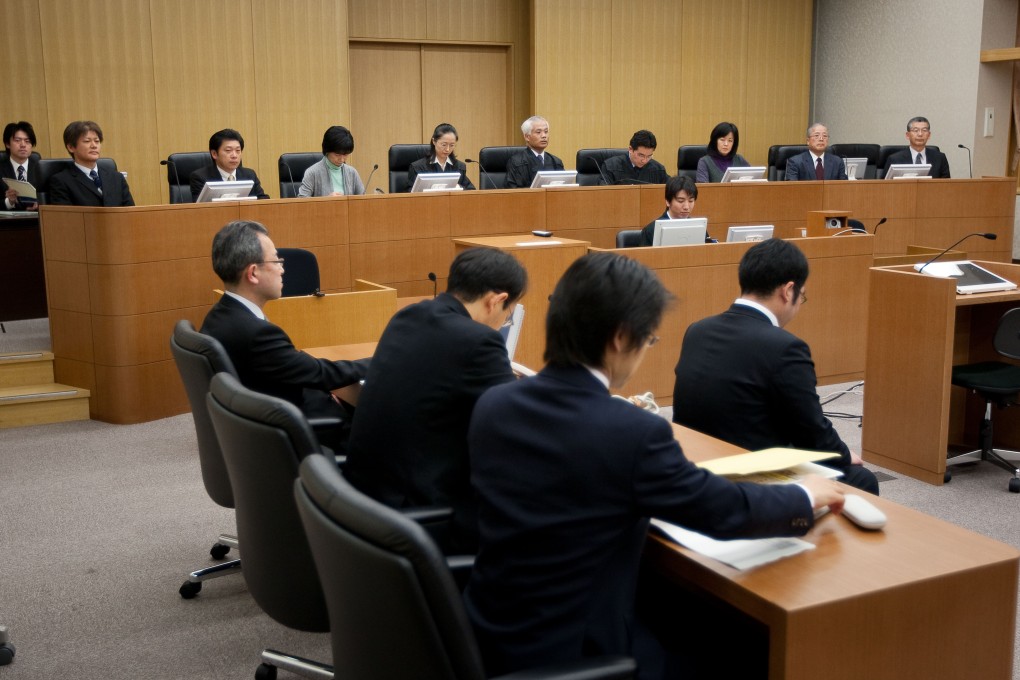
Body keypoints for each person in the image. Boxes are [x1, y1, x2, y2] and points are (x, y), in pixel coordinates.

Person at [464, 251, 845, 678]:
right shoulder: (629, 432)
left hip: (488, 632)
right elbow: (724, 510)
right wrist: (803, 494)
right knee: (745, 647)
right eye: (649, 339)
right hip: (580, 652)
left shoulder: (494, 404)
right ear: (622, 338)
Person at [344, 248, 526, 553]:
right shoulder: (479, 341)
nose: (503, 321)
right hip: (416, 518)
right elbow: (517, 423)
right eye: (508, 313)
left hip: (367, 499)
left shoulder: (410, 314)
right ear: (496, 300)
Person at [672, 238, 879, 494]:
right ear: (788, 290)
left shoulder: (697, 330)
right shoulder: (785, 347)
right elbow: (811, 432)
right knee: (862, 479)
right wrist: (844, 455)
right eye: (802, 296)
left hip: (692, 463)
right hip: (748, 476)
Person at [200, 220, 367, 451]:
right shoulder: (256, 334)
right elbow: (318, 373)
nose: (282, 268)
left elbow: (290, 368)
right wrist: (378, 361)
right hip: (295, 434)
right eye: (276, 260)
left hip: (271, 415)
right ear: (253, 273)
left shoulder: (218, 315)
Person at [47, 121, 134, 207]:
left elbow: (131, 214)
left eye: (97, 141)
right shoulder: (61, 181)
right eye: (87, 141)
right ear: (71, 147)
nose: (94, 145)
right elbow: (66, 217)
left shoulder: (117, 178)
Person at [190, 129, 269, 201]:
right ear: (214, 154)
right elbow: (200, 209)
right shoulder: (200, 177)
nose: (234, 155)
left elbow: (263, 200)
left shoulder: (249, 175)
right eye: (228, 150)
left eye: (238, 150)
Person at [298, 125, 365, 197]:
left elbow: (363, 201)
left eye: (345, 155)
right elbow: (301, 202)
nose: (342, 159)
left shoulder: (352, 173)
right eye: (337, 154)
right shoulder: (312, 173)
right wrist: (326, 201)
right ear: (327, 150)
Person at [407, 122, 475, 191]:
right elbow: (409, 193)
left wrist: (459, 187)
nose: (447, 149)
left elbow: (471, 190)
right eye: (444, 145)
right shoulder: (418, 167)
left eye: (452, 145)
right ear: (434, 141)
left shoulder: (459, 167)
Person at [639, 175, 702, 246]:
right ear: (668, 202)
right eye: (680, 201)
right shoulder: (651, 230)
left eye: (691, 201)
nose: (686, 207)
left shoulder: (699, 228)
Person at [505, 116, 564, 188]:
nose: (544, 136)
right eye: (538, 132)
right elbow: (513, 192)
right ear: (527, 137)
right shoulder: (516, 162)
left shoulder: (556, 162)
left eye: (546, 132)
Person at [883, 116, 951, 178]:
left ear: (929, 135)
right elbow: (883, 186)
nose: (920, 134)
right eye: (916, 130)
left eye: (924, 130)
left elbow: (946, 186)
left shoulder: (940, 158)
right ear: (907, 135)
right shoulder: (894, 159)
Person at [601, 129, 668, 185]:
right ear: (630, 149)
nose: (644, 161)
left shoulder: (658, 169)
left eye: (649, 156)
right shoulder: (611, 166)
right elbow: (603, 193)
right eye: (641, 155)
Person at [1, 121, 40, 210]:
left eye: (27, 141)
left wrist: (40, 205)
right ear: (7, 144)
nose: (23, 145)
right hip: (7, 222)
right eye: (17, 140)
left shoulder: (40, 169)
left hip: (36, 220)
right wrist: (9, 202)